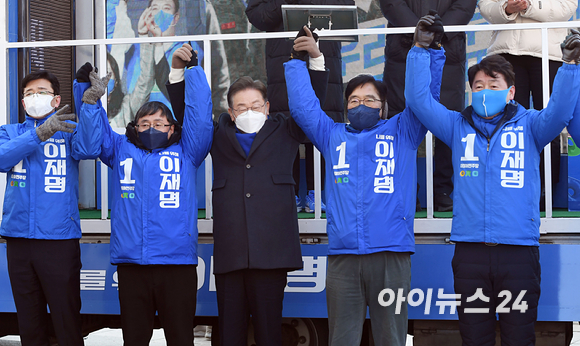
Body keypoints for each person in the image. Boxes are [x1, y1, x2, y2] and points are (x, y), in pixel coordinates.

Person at [405, 19, 580, 345]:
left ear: (511, 91)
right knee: (474, 338)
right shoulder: (457, 126)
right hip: (469, 253)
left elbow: (559, 111)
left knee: (520, 337)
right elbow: (419, 102)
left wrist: (569, 66)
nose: (485, 91)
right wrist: (420, 51)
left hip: (519, 253)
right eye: (479, 86)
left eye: (494, 85)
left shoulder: (531, 126)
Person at [284, 25, 446, 345]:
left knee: (391, 337)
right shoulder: (332, 136)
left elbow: (424, 100)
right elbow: (304, 109)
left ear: (383, 107)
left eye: (370, 99)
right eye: (355, 99)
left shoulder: (403, 131)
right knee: (342, 338)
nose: (362, 104)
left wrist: (428, 52)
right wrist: (295, 63)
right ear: (346, 107)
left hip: (391, 257)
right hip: (343, 257)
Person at [167, 40, 328, 345]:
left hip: (272, 252)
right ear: (230, 111)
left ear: (267, 107)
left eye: (255, 106)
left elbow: (311, 105)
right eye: (241, 107)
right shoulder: (217, 134)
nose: (249, 111)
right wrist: (178, 71)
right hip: (232, 251)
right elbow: (189, 116)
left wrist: (316, 60)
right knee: (230, 333)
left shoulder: (286, 129)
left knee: (270, 333)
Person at [74, 62, 213, 345]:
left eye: (159, 124)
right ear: (134, 127)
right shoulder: (120, 149)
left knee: (180, 338)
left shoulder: (187, 151)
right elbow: (94, 134)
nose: (152, 128)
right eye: (145, 123)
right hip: (132, 264)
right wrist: (85, 94)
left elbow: (200, 119)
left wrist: (194, 73)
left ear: (173, 128)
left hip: (177, 264)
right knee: (135, 339)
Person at [0, 71, 102, 346]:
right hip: (19, 239)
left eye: (42, 92)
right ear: (22, 103)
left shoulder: (68, 130)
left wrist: (90, 105)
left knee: (66, 320)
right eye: (30, 93)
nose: (36, 97)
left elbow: (91, 148)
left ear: (56, 100)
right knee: (29, 323)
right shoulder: (9, 132)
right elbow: (1, 158)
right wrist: (39, 133)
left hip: (59, 240)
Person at [246, 0, 354, 213]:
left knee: (322, 118)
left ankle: (318, 192)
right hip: (283, 57)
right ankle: (290, 192)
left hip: (325, 55)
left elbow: (346, 10)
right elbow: (257, 16)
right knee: (286, 122)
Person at [479, 0, 578, 209]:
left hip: (548, 53)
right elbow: (485, 7)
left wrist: (528, 6)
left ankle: (547, 192)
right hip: (506, 54)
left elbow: (566, 8)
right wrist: (506, 8)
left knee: (551, 121)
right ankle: (511, 188)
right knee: (509, 125)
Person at [380, 0, 477, 211]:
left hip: (448, 48)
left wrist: (436, 34)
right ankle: (405, 190)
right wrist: (419, 32)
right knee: (400, 123)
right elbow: (391, 4)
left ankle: (442, 190)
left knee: (448, 122)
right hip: (403, 49)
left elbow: (465, 5)